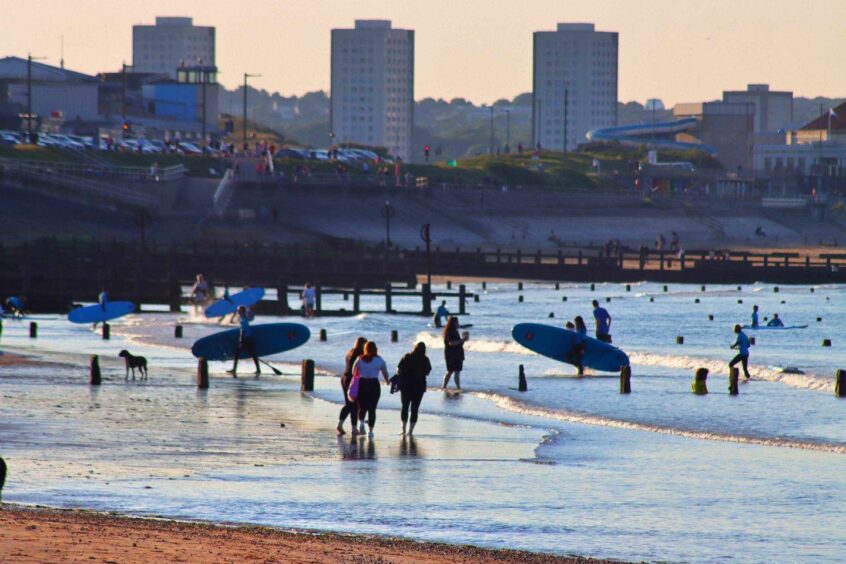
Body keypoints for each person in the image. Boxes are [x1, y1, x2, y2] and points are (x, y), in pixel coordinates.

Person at [352, 341, 390, 438]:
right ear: (375, 349)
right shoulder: (380, 360)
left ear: (365, 349)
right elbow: (385, 373)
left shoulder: (359, 359)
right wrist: (387, 381)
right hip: (374, 385)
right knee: (372, 409)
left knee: (362, 407)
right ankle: (371, 432)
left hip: (362, 384)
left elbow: (353, 372)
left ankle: (361, 424)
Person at [397, 342, 432, 436]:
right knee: (415, 409)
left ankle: (403, 429)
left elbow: (399, 370)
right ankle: (410, 431)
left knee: (405, 407)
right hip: (419, 386)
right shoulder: (425, 359)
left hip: (406, 385)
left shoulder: (407, 356)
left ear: (415, 348)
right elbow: (428, 372)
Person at [338, 337, 366, 436]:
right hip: (352, 380)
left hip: (344, 378)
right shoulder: (360, 354)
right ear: (362, 345)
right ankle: (354, 429)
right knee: (353, 405)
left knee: (349, 404)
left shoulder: (350, 352)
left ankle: (341, 425)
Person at [228, 306, 261, 377]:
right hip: (249, 337)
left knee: (237, 353)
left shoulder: (243, 318)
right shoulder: (244, 317)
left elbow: (242, 330)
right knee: (252, 353)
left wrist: (240, 341)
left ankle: (234, 369)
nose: (237, 311)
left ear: (241, 311)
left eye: (238, 310)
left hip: (246, 338)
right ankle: (258, 369)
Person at [441, 316, 466, 390]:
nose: (458, 323)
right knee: (451, 371)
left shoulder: (455, 332)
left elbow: (458, 343)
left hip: (457, 354)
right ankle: (446, 386)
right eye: (457, 322)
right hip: (451, 355)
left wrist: (463, 340)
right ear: (453, 323)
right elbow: (451, 343)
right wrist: (461, 340)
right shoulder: (450, 332)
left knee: (455, 371)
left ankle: (456, 387)